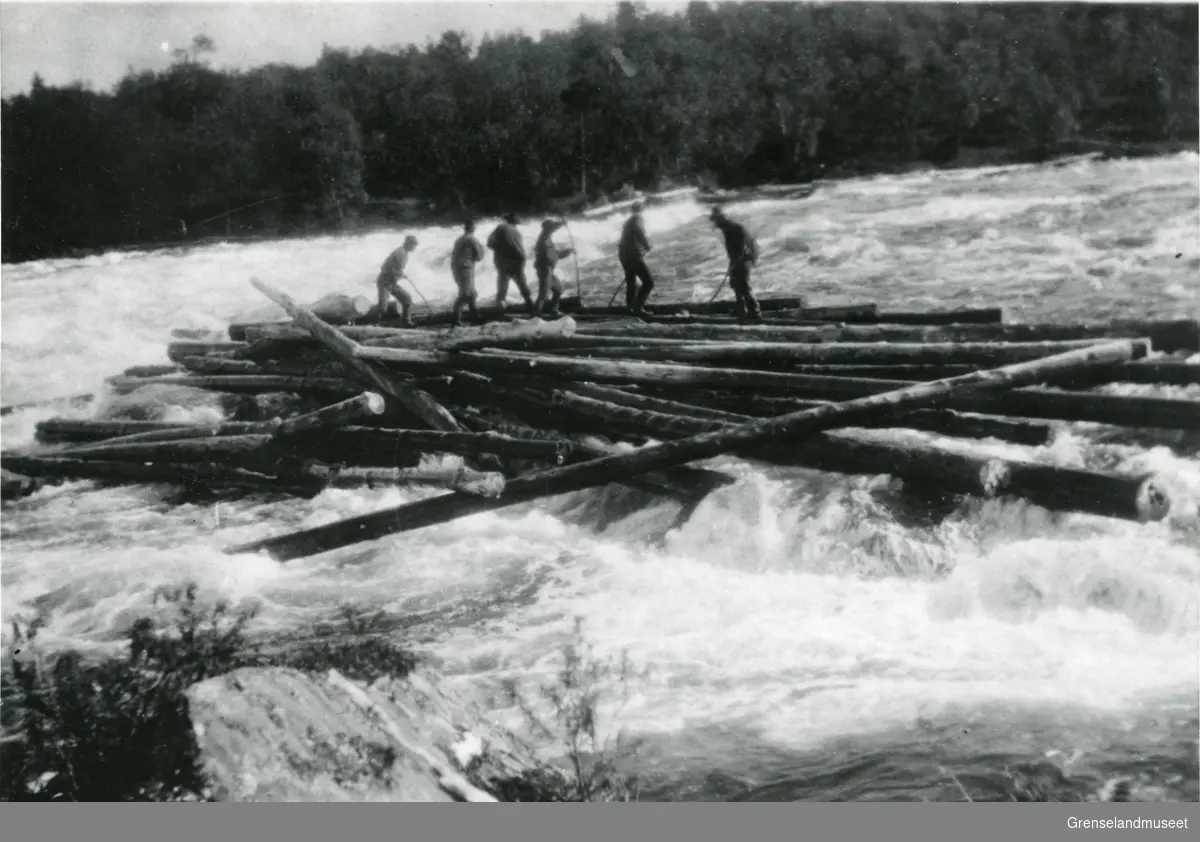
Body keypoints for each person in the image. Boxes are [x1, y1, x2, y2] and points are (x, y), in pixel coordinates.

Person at [709, 206, 761, 321]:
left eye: (716, 221)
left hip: (743, 259)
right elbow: (733, 250)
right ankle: (740, 309)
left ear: (721, 219)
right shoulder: (726, 229)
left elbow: (742, 247)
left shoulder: (736, 228)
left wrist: (737, 261)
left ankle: (754, 311)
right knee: (734, 284)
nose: (715, 224)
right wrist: (732, 262)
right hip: (736, 260)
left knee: (743, 285)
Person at [486, 213, 534, 316]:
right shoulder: (516, 231)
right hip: (519, 260)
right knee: (522, 284)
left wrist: (500, 249)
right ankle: (532, 309)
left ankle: (500, 314)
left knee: (502, 288)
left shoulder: (501, 228)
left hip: (504, 261)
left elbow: (489, 243)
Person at [618, 201, 655, 314]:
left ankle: (629, 307)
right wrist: (646, 245)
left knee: (631, 283)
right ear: (641, 210)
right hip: (633, 256)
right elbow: (638, 231)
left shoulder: (628, 221)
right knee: (649, 282)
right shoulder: (638, 219)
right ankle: (638, 308)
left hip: (623, 256)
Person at [532, 218, 574, 318]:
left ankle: (553, 309)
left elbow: (556, 255)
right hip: (544, 270)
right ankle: (536, 316)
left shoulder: (548, 238)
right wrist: (562, 223)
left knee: (558, 289)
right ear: (546, 228)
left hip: (549, 270)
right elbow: (549, 256)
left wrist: (568, 251)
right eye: (551, 228)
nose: (553, 230)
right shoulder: (543, 239)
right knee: (543, 294)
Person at [376, 234, 418, 326]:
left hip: (392, 283)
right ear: (408, 244)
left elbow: (396, 269)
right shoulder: (400, 253)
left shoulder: (404, 253)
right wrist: (398, 273)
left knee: (407, 299)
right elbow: (385, 267)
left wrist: (400, 274)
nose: (414, 247)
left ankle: (406, 321)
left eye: (415, 245)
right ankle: (376, 325)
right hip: (385, 282)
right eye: (413, 245)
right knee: (383, 307)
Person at [450, 220, 485, 326]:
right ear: (473, 228)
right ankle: (456, 320)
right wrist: (482, 249)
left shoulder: (459, 239)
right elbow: (479, 257)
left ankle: (474, 317)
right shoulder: (472, 239)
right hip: (466, 268)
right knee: (465, 294)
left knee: (471, 293)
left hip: (457, 268)